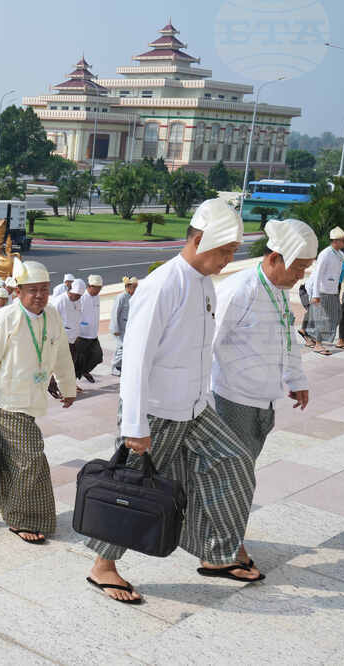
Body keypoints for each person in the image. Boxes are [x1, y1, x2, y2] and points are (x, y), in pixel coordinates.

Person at [86, 198, 262, 605]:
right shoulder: (163, 285)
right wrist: (134, 426)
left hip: (196, 409)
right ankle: (103, 566)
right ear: (198, 240)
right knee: (129, 489)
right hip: (156, 411)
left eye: (233, 252)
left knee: (235, 461)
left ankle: (217, 551)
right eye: (224, 251)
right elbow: (135, 359)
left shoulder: (204, 284)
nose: (227, 259)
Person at [0, 258, 77, 543]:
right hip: (5, 401)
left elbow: (62, 352)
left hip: (33, 399)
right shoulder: (4, 319)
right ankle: (21, 518)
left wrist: (68, 387)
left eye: (44, 289)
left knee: (4, 459)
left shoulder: (52, 315)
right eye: (32, 290)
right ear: (18, 292)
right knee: (29, 459)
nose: (39, 295)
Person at [212, 218, 315, 468]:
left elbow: (287, 337)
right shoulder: (239, 290)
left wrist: (296, 379)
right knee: (230, 478)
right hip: (231, 402)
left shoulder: (278, 290)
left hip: (263, 402)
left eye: (305, 269)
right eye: (297, 267)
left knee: (243, 474)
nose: (300, 276)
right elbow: (206, 345)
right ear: (273, 258)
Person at [299, 226, 344, 356]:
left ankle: (310, 333)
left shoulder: (341, 254)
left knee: (336, 316)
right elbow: (317, 275)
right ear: (335, 241)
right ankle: (318, 345)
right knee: (323, 318)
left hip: (333, 291)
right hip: (322, 290)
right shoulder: (325, 254)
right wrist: (315, 295)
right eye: (342, 240)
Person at [50, 279, 85, 396]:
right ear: (71, 291)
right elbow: (52, 320)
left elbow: (78, 318)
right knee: (61, 366)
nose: (78, 297)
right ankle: (55, 388)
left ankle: (68, 386)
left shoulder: (78, 301)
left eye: (80, 295)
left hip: (73, 339)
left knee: (71, 365)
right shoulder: (60, 301)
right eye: (76, 295)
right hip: (61, 340)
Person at [74, 274, 103, 383]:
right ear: (90, 286)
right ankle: (71, 383)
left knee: (97, 357)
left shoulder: (97, 297)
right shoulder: (82, 297)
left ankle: (84, 371)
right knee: (76, 361)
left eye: (100, 288)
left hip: (93, 334)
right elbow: (75, 315)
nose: (99, 291)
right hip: (81, 335)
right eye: (97, 288)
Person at [109, 277, 137, 376]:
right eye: (134, 287)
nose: (136, 289)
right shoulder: (121, 297)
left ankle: (119, 366)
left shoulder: (133, 296)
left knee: (121, 348)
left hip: (127, 328)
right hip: (119, 328)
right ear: (128, 287)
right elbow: (114, 313)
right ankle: (114, 367)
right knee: (122, 347)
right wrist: (115, 328)